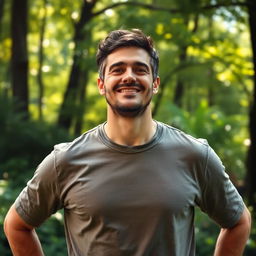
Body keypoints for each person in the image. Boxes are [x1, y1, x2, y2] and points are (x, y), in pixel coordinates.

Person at [4, 29, 251, 256]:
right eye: (117, 69)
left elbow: (239, 222)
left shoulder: (195, 155)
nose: (129, 77)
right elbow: (17, 225)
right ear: (102, 85)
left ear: (155, 83)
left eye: (140, 69)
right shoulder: (65, 161)